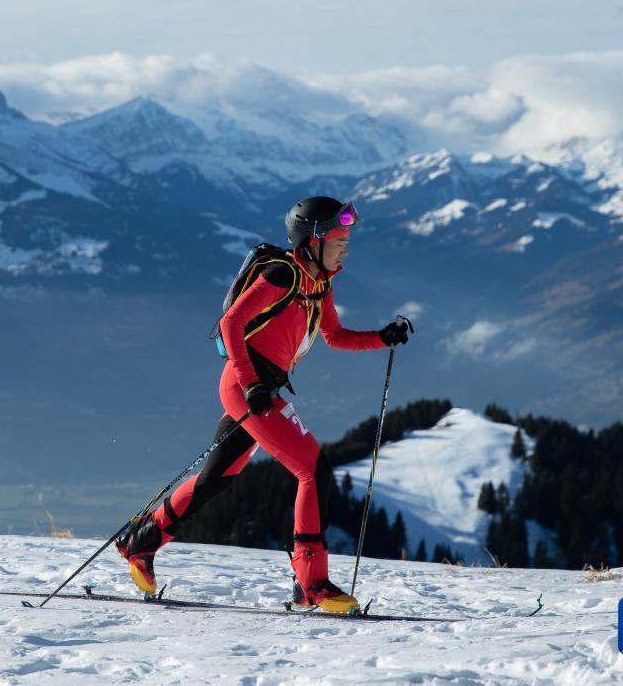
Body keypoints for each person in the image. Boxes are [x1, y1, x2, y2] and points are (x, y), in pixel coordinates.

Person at [116, 196, 411, 613]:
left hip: (260, 387)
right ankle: (311, 583)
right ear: (311, 241)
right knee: (313, 469)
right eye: (339, 240)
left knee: (215, 478)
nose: (346, 248)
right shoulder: (281, 275)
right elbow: (231, 323)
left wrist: (382, 337)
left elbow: (334, 336)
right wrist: (253, 385)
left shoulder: (320, 283)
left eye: (347, 240)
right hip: (246, 385)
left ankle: (140, 543)